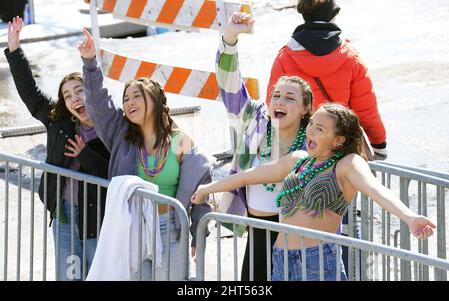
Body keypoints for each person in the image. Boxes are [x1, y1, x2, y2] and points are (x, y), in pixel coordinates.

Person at [192, 103, 435, 281]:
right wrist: (207, 189)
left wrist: (410, 218)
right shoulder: (299, 160)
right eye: (311, 125)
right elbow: (248, 176)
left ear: (338, 140)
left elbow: (376, 189)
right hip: (281, 258)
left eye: (319, 129)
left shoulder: (347, 164)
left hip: (317, 261)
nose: (310, 132)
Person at [78, 29, 214, 281]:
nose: (129, 102)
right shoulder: (122, 136)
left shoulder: (180, 141)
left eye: (137, 96)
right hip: (134, 229)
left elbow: (200, 192)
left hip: (171, 229)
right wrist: (90, 63)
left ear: (155, 100)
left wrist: (198, 233)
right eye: (126, 98)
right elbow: (98, 105)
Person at [4, 17, 110, 281]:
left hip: (98, 218)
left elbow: (112, 172)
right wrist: (15, 51)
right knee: (69, 276)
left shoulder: (109, 126)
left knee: (98, 275)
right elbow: (30, 91)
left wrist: (85, 154)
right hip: (63, 213)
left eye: (79, 90)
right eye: (67, 95)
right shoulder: (58, 122)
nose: (75, 98)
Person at [216, 12, 313, 281]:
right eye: (276, 95)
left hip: (295, 235)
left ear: (305, 109)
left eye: (289, 98)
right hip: (256, 230)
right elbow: (229, 85)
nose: (279, 101)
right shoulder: (255, 119)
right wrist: (230, 38)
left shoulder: (312, 138)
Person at [266, 0, 388, 161]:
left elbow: (273, 106)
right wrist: (379, 145)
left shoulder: (285, 57)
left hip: (301, 149)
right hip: (343, 147)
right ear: (332, 16)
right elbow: (366, 110)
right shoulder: (351, 58)